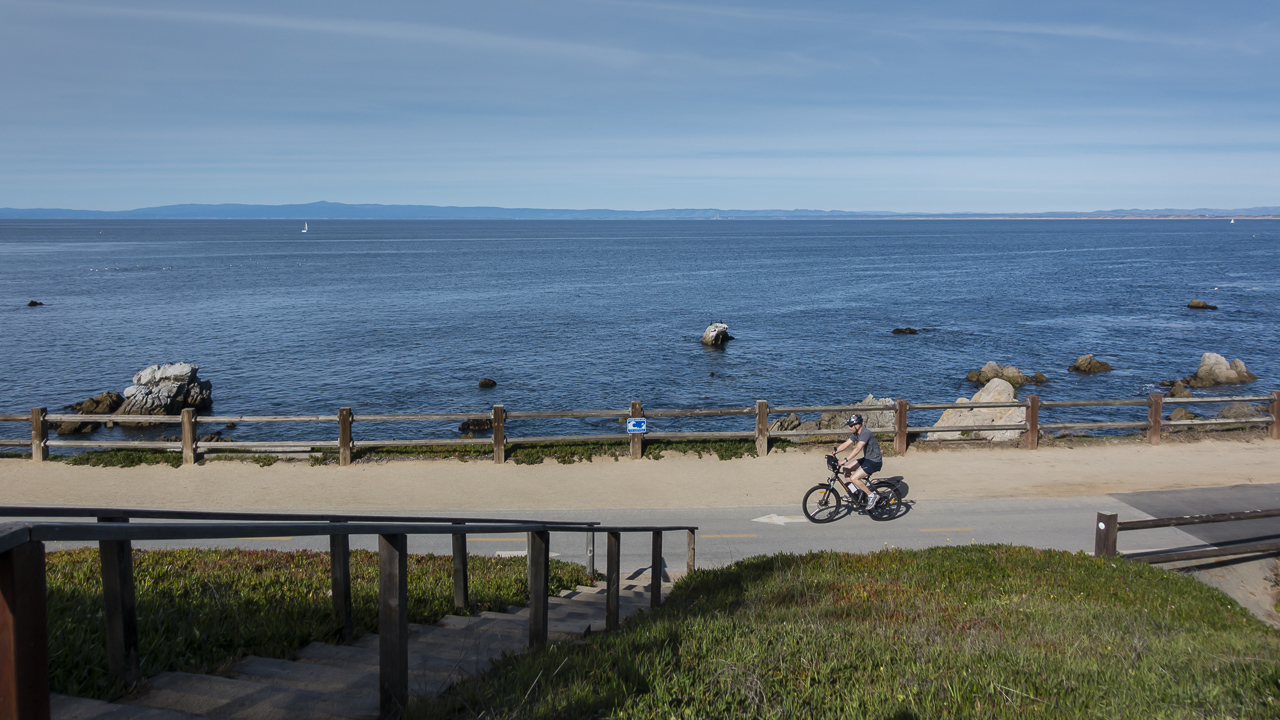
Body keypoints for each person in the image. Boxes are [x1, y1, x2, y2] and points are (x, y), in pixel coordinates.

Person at [834, 413, 883, 509]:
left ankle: (872, 496)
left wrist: (845, 459)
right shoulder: (856, 434)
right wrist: (833, 453)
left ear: (857, 425)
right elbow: (845, 444)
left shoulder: (865, 433)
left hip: (874, 461)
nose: (849, 427)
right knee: (846, 469)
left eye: (851, 425)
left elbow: (858, 448)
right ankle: (854, 493)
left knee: (854, 478)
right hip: (867, 459)